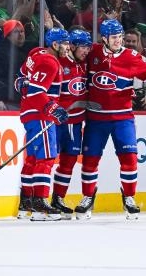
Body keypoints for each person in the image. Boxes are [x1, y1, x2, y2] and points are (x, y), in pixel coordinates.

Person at [75, 19, 146, 220]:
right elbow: (72, 59)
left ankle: (129, 197)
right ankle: (88, 197)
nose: (119, 41)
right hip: (96, 119)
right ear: (104, 38)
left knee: (129, 160)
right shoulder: (92, 53)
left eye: (120, 36)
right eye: (114, 37)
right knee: (90, 161)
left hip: (122, 118)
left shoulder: (131, 57)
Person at [16, 28, 70, 221]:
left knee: (32, 159)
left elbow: (21, 78)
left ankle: (25, 203)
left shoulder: (36, 52)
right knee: (46, 158)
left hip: (29, 114)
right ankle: (40, 205)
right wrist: (52, 109)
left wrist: (22, 85)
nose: (68, 47)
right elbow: (36, 92)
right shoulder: (50, 62)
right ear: (54, 45)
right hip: (41, 115)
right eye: (64, 43)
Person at [51, 28, 92, 220]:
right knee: (47, 160)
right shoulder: (59, 63)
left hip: (76, 124)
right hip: (57, 122)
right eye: (83, 47)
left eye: (88, 47)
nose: (87, 51)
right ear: (73, 46)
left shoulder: (86, 65)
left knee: (68, 162)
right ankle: (36, 199)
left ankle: (58, 198)